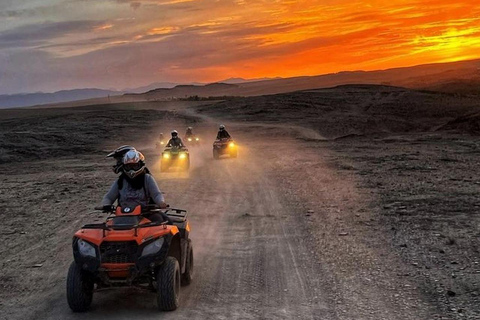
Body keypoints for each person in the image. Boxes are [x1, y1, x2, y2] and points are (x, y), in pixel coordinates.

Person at [101, 150, 168, 222]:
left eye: (135, 166)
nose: (131, 170)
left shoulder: (147, 178)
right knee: (108, 228)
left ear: (141, 165)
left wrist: (161, 202)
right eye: (128, 166)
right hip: (123, 215)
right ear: (124, 167)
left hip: (145, 214)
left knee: (163, 222)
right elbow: (109, 196)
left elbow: (156, 194)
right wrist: (106, 204)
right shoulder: (120, 181)